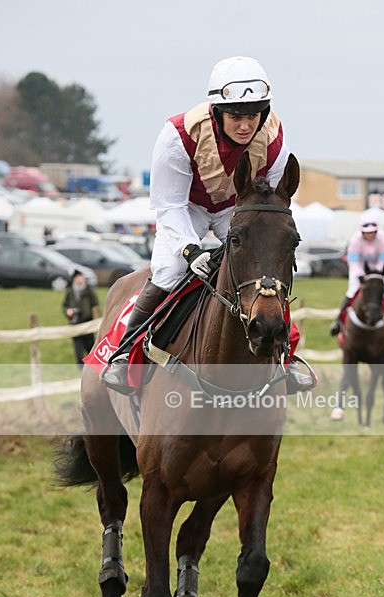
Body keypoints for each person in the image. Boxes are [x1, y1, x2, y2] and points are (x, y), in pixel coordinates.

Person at [102, 55, 312, 395]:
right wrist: (189, 249)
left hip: (238, 209)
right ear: (217, 112)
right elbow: (168, 204)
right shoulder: (178, 135)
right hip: (189, 207)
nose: (246, 126)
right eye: (236, 117)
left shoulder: (274, 135)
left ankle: (285, 358)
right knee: (168, 271)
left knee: (262, 274)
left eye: (253, 116)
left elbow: (270, 204)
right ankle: (125, 352)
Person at [329, 211, 384, 337]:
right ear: (362, 231)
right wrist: (360, 275)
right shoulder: (355, 240)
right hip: (359, 270)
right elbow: (353, 261)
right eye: (367, 232)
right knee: (351, 292)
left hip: (379, 272)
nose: (369, 235)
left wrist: (376, 274)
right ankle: (337, 321)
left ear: (376, 231)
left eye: (372, 232)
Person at [63, 270, 101, 367]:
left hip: (88, 323)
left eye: (81, 277)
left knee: (90, 347)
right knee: (78, 350)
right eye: (78, 278)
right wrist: (68, 311)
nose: (80, 279)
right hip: (75, 323)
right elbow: (65, 306)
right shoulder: (70, 291)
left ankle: (92, 366)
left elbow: (96, 304)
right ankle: (81, 368)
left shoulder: (88, 290)